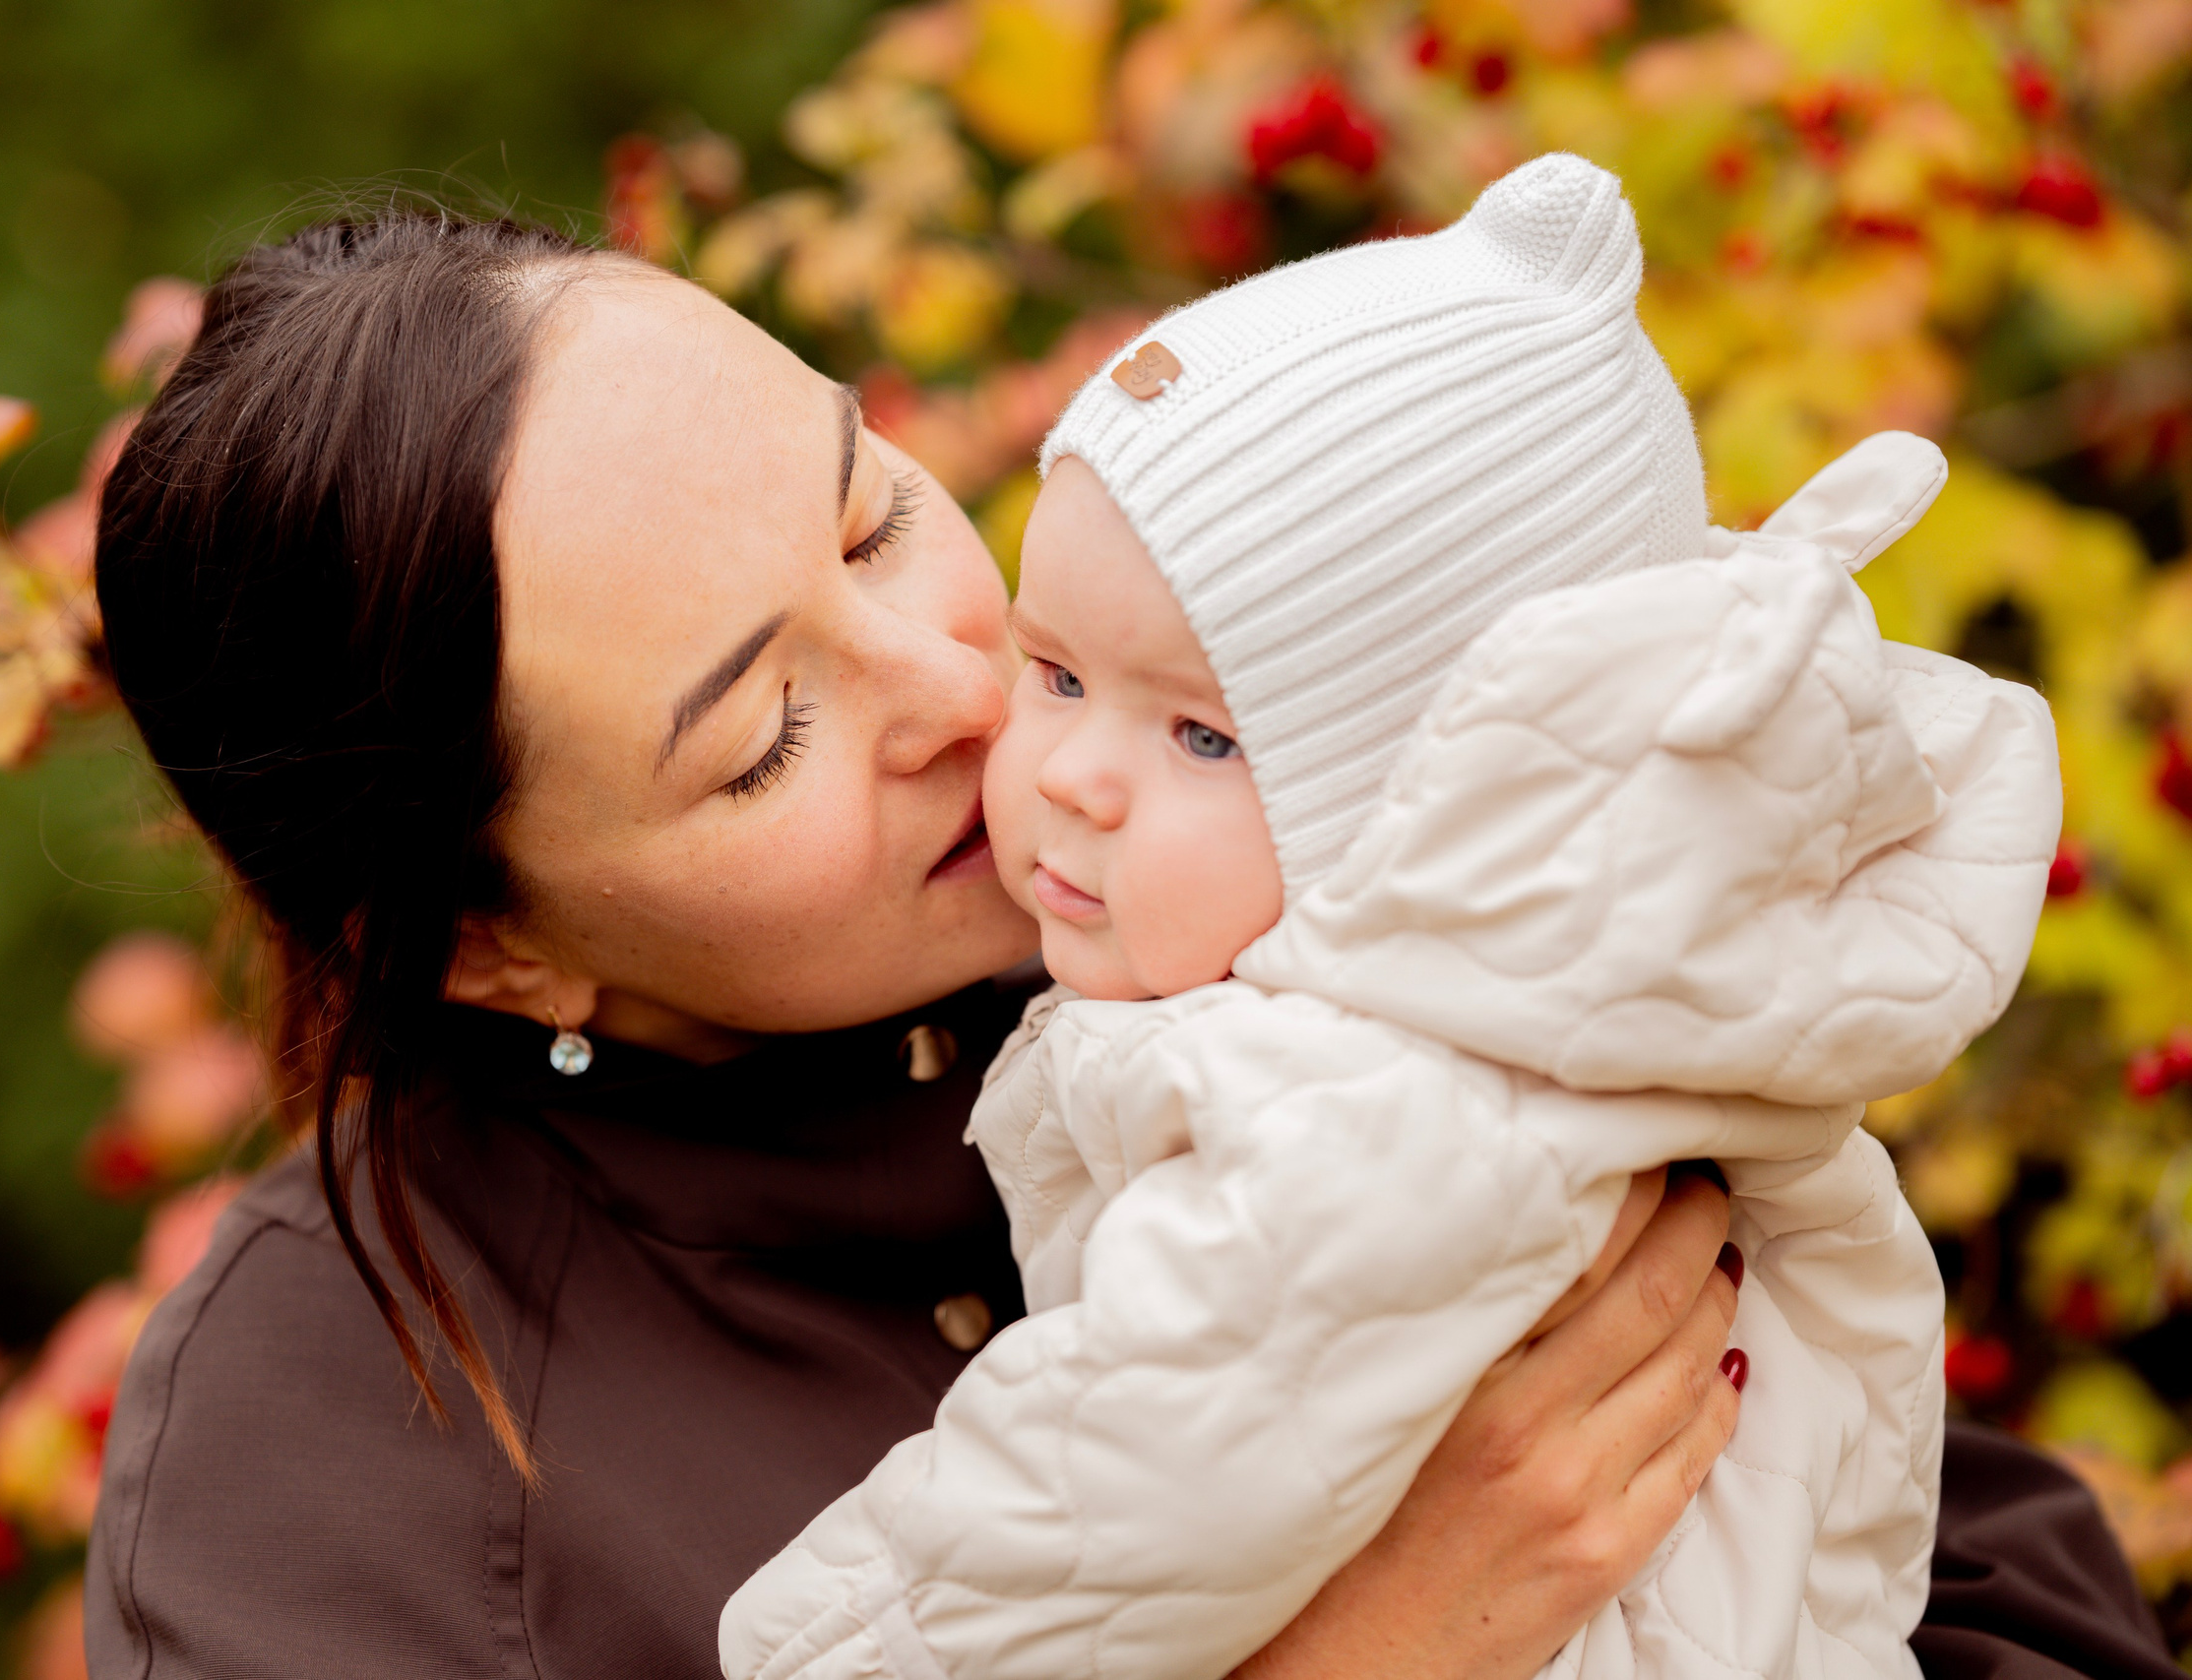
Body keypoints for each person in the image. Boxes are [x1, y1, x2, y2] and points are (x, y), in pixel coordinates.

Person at [83, 205, 2182, 1680]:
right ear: (488, 943)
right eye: (765, 735)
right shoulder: (311, 1462)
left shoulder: (1279, 899)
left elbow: (1964, 1554)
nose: (962, 683)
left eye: (869, 509)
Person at [718, 155, 2056, 1680]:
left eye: (1206, 738)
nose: (1070, 777)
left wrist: (823, 1652)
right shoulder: (1545, 994)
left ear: (1436, 795)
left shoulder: (1362, 1108)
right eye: (1062, 673)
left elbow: (1121, 1493)